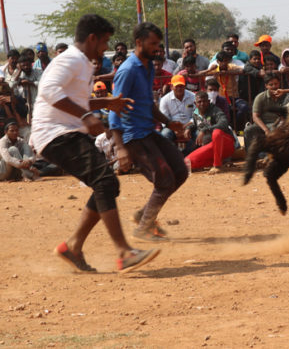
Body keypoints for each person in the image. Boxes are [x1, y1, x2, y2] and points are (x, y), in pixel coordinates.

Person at [30, 14, 159, 273]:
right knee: (105, 182)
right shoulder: (71, 58)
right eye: (104, 42)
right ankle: (123, 252)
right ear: (92, 38)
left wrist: (105, 103)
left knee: (106, 184)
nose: (105, 48)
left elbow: (75, 99)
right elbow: (48, 90)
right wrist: (87, 116)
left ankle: (73, 246)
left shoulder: (83, 63)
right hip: (55, 133)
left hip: (66, 133)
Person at [110, 22, 189, 242]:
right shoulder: (127, 70)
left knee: (180, 171)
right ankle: (144, 227)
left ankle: (143, 214)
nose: (157, 48)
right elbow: (114, 111)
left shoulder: (146, 67)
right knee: (164, 181)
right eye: (152, 43)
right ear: (139, 42)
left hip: (148, 131)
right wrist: (120, 148)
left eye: (158, 43)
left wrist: (168, 122)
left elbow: (148, 104)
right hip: (133, 136)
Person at [185, 91, 236, 174]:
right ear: (195, 103)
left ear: (208, 102)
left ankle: (217, 166)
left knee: (217, 132)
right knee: (188, 163)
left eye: (204, 101)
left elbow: (224, 123)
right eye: (199, 102)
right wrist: (188, 128)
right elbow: (195, 124)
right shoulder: (196, 113)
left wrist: (205, 130)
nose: (202, 104)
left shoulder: (215, 110)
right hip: (210, 146)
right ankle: (223, 161)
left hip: (225, 144)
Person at [243, 73, 285, 151]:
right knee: (248, 130)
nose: (274, 86)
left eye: (276, 84)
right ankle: (251, 156)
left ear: (279, 83)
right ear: (266, 86)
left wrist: (285, 91)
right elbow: (255, 116)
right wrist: (266, 130)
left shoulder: (284, 96)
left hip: (279, 124)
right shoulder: (260, 97)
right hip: (263, 124)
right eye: (271, 84)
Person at [159, 74, 196, 152]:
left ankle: (192, 157)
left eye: (181, 86)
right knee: (165, 135)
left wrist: (188, 127)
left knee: (199, 134)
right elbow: (164, 119)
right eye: (177, 86)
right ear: (171, 87)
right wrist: (175, 128)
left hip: (190, 125)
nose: (179, 88)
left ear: (185, 86)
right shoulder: (165, 100)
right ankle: (169, 158)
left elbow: (196, 115)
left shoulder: (193, 97)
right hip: (171, 127)